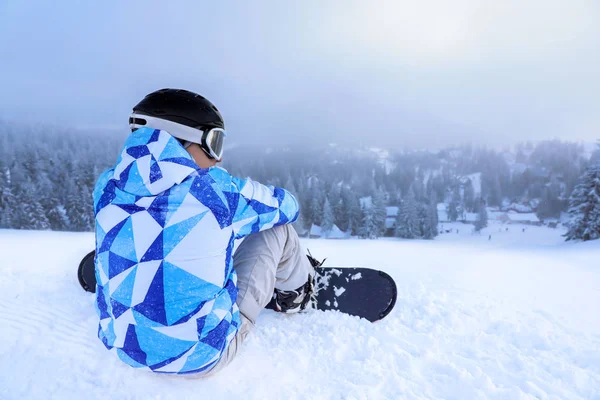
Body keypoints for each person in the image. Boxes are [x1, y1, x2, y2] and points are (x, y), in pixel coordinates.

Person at [93, 88, 317, 376]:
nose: (218, 158)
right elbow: (288, 206)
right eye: (214, 142)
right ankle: (296, 293)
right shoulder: (216, 190)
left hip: (125, 350)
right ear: (182, 138)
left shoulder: (106, 186)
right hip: (201, 357)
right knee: (278, 230)